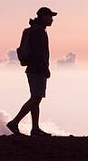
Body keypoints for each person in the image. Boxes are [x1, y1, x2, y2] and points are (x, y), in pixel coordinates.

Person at [6, 7, 57, 137]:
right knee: (36, 98)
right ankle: (15, 122)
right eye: (50, 16)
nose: (51, 19)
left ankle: (35, 129)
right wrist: (45, 69)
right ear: (43, 17)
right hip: (37, 69)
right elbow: (39, 53)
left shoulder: (35, 30)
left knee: (36, 98)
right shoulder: (39, 32)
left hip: (33, 69)